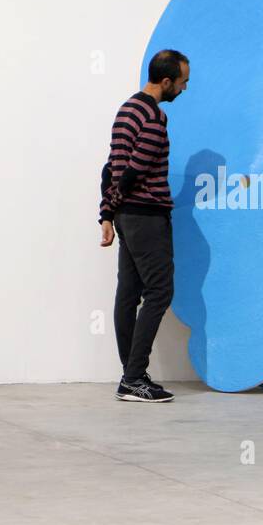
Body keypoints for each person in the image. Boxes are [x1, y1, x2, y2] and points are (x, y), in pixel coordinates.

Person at [98, 50, 189, 403]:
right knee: (159, 292)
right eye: (182, 82)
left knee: (128, 293)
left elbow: (110, 170)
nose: (183, 89)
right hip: (146, 215)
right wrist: (114, 205)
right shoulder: (154, 117)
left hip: (126, 217)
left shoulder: (126, 110)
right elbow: (132, 171)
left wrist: (107, 214)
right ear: (166, 81)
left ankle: (130, 376)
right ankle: (134, 377)